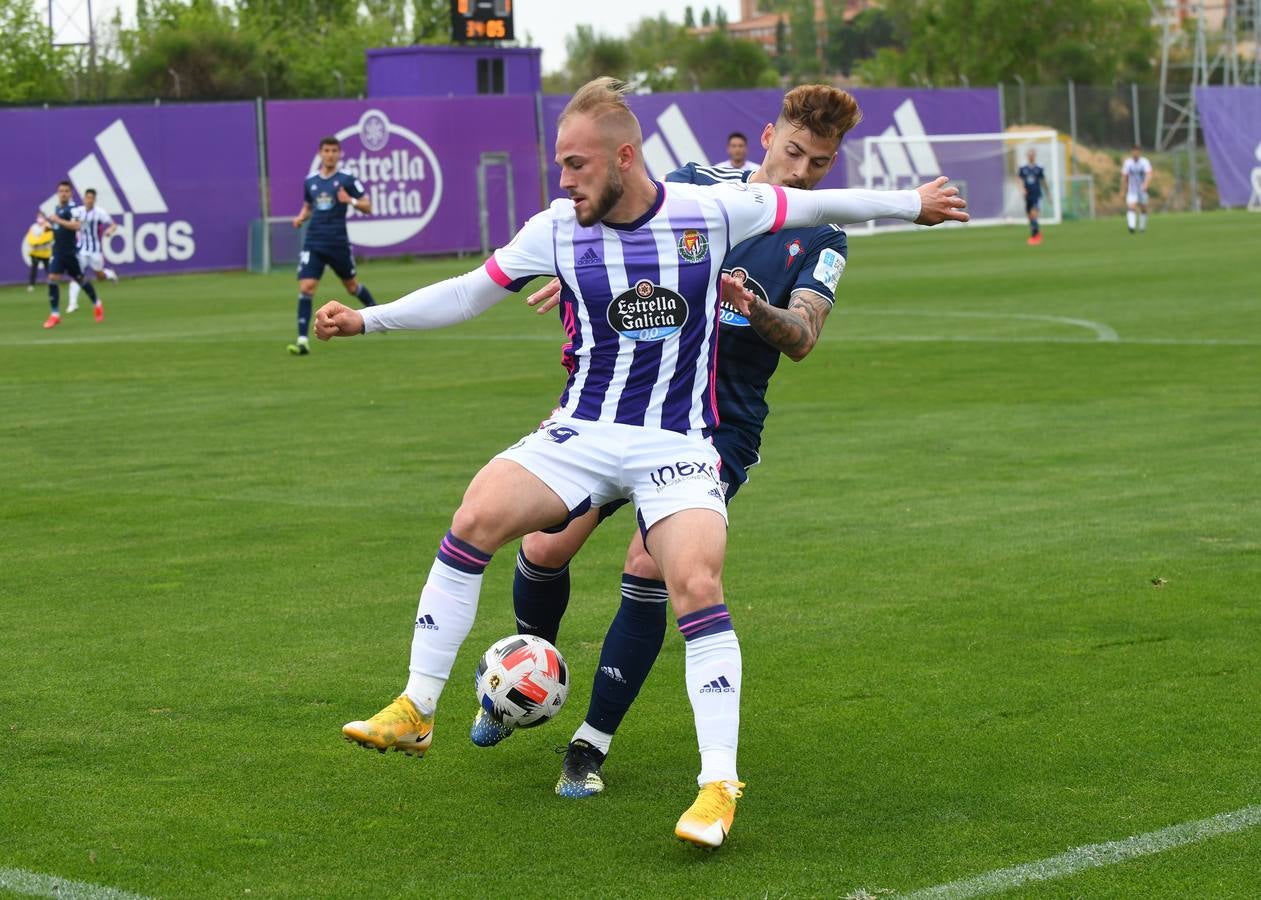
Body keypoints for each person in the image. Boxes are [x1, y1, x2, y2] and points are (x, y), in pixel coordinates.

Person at [316, 76, 966, 849]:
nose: (564, 179)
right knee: (494, 524)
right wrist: (370, 319)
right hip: (589, 426)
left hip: (693, 434)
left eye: (576, 165)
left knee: (682, 578)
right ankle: (428, 704)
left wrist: (910, 205)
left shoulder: (727, 213)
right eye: (562, 164)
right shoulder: (571, 221)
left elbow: (828, 229)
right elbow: (470, 291)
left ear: (622, 158)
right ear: (766, 138)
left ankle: (696, 779)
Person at [470, 83, 866, 801]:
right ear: (768, 135)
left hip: (717, 428)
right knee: (544, 547)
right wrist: (577, 274)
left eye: (820, 163)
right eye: (794, 152)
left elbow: (803, 335)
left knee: (646, 565)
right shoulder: (693, 188)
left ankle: (589, 746)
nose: (803, 172)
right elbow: (611, 228)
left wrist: (757, 307)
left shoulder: (823, 237)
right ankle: (527, 674)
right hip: (630, 408)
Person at [288, 136, 377, 355]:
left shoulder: (346, 179)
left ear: (339, 154)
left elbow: (368, 206)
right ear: (320, 153)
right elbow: (308, 206)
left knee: (352, 287)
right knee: (306, 287)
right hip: (314, 242)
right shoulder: (310, 180)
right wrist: (301, 217)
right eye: (326, 151)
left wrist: (350, 201)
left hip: (338, 243)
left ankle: (377, 313)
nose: (330, 154)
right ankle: (302, 341)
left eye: (334, 151)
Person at [43, 181, 102, 328]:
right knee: (52, 278)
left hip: (70, 253)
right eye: (61, 191)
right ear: (57, 193)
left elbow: (76, 226)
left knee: (80, 279)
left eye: (66, 191)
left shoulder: (73, 209)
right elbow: (60, 227)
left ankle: (97, 303)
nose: (63, 193)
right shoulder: (58, 208)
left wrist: (57, 220)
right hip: (58, 252)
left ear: (71, 193)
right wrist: (51, 227)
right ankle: (55, 315)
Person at [66, 188, 119, 314]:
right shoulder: (78, 211)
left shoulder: (100, 212)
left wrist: (110, 230)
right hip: (81, 249)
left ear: (94, 200)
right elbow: (71, 224)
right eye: (87, 198)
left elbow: (113, 224)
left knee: (99, 276)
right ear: (84, 199)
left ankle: (110, 274)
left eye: (91, 198)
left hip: (95, 250)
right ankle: (72, 303)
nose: (89, 200)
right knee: (77, 275)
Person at [1018, 149, 1048, 246]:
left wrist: (1048, 193)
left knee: (1034, 213)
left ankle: (1035, 236)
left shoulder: (1039, 168)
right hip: (1028, 195)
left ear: (1035, 156)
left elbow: (1043, 181)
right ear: (1027, 156)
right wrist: (1022, 189)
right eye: (1029, 155)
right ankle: (1035, 233)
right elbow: (1019, 179)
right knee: (1030, 216)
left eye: (1032, 155)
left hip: (1036, 194)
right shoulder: (1023, 168)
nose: (1030, 156)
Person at [1122, 146, 1152, 234]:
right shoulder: (1128, 163)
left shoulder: (1144, 162)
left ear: (1139, 152)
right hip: (1132, 189)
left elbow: (1149, 174)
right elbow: (1124, 176)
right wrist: (1123, 189)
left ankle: (1142, 228)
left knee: (1143, 208)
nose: (1135, 153)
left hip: (1142, 189)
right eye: (1133, 151)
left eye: (1137, 151)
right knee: (1131, 207)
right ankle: (1131, 227)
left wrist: (1146, 184)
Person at [24, 213, 52, 292]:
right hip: (35, 252)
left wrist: (38, 242)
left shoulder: (47, 226)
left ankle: (51, 284)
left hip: (45, 252)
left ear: (45, 218)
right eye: (38, 217)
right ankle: (31, 285)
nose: (40, 219)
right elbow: (30, 237)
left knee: (48, 269)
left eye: (41, 217)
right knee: (34, 269)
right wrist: (35, 242)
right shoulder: (33, 226)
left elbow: (48, 237)